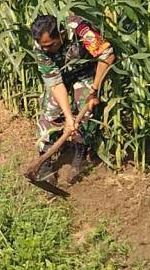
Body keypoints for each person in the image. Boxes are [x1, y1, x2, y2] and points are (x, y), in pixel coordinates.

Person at [29, 13, 115, 183]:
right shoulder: (40, 46)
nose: (46, 49)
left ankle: (80, 151)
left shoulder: (80, 30)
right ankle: (44, 160)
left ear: (61, 34)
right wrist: (69, 118)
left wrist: (94, 90)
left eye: (50, 45)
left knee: (86, 105)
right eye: (43, 46)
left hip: (84, 73)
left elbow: (107, 54)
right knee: (50, 110)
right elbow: (54, 82)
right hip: (60, 76)